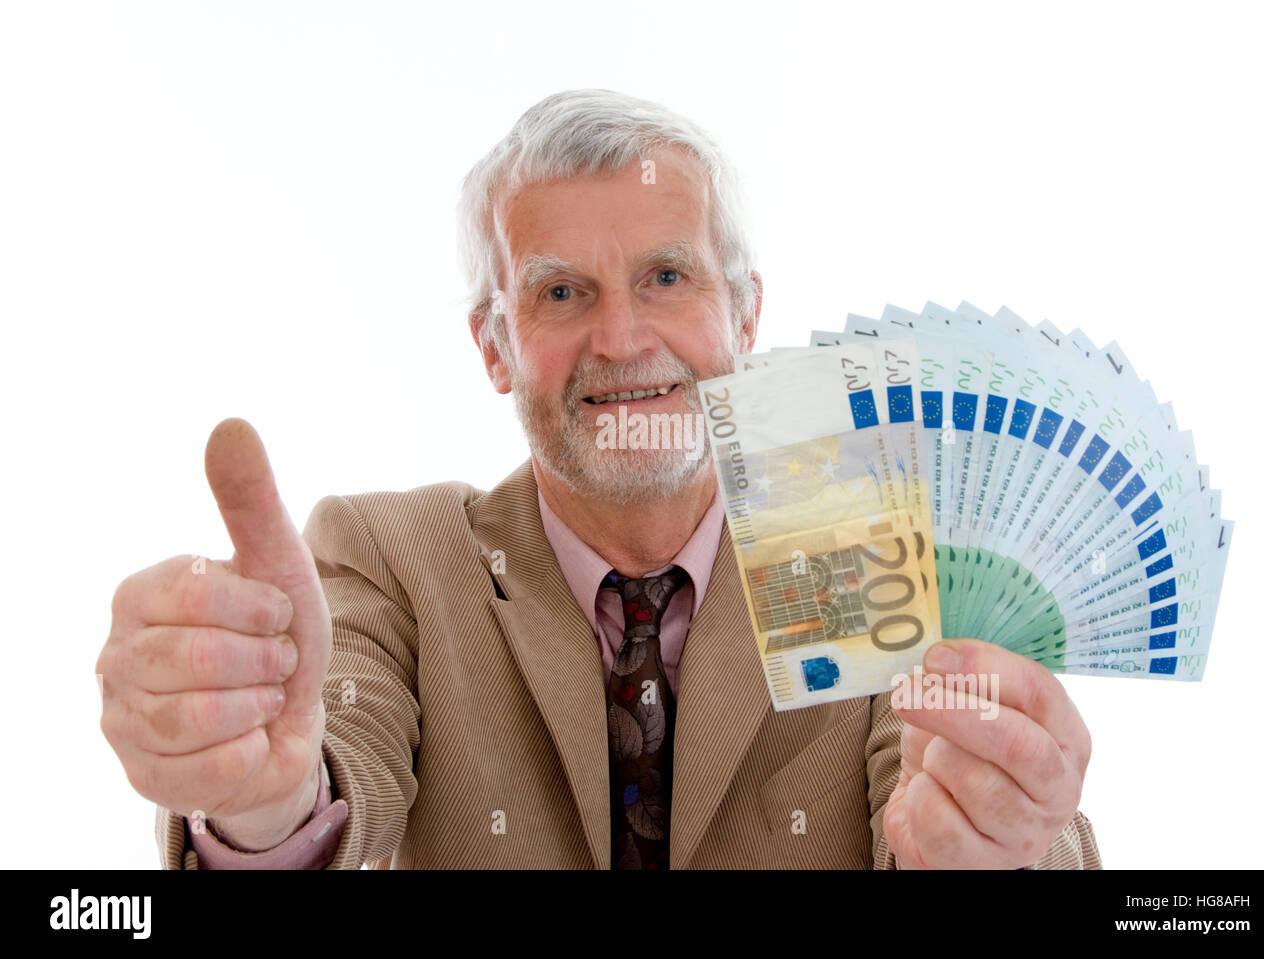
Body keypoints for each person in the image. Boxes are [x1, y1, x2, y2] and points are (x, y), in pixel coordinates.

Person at [98, 88, 1100, 870]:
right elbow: (332, 768)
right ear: (494, 347)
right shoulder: (388, 557)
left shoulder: (853, 524)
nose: (621, 339)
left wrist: (996, 841)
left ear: (744, 316)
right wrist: (262, 806)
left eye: (667, 276)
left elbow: (964, 814)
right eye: (561, 292)